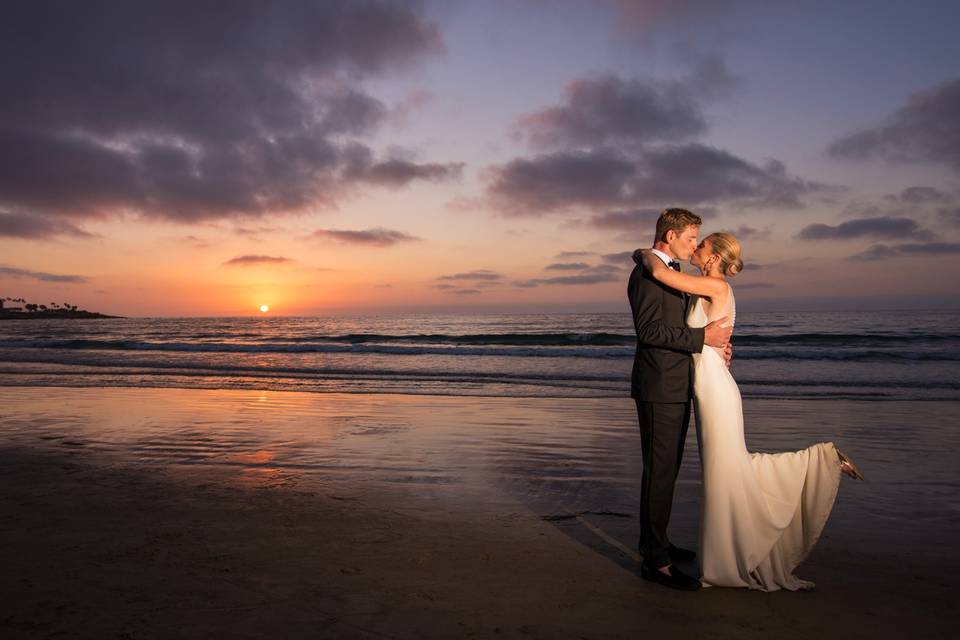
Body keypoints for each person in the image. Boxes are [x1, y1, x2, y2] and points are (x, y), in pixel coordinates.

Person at [637, 232, 864, 591]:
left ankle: (822, 460)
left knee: (729, 469)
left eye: (702, 244)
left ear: (713, 258)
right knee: (727, 472)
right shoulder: (705, 286)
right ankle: (723, 554)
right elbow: (691, 330)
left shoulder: (716, 287)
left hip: (717, 396)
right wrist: (717, 349)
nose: (695, 248)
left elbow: (660, 272)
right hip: (707, 389)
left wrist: (642, 253)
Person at [627, 208, 733, 591]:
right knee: (659, 472)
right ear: (669, 236)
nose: (693, 246)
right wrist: (702, 340)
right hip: (659, 386)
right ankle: (655, 562)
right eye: (691, 238)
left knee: (667, 470)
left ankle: (662, 542)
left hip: (678, 383)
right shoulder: (646, 274)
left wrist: (715, 349)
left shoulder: (672, 272)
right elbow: (651, 331)